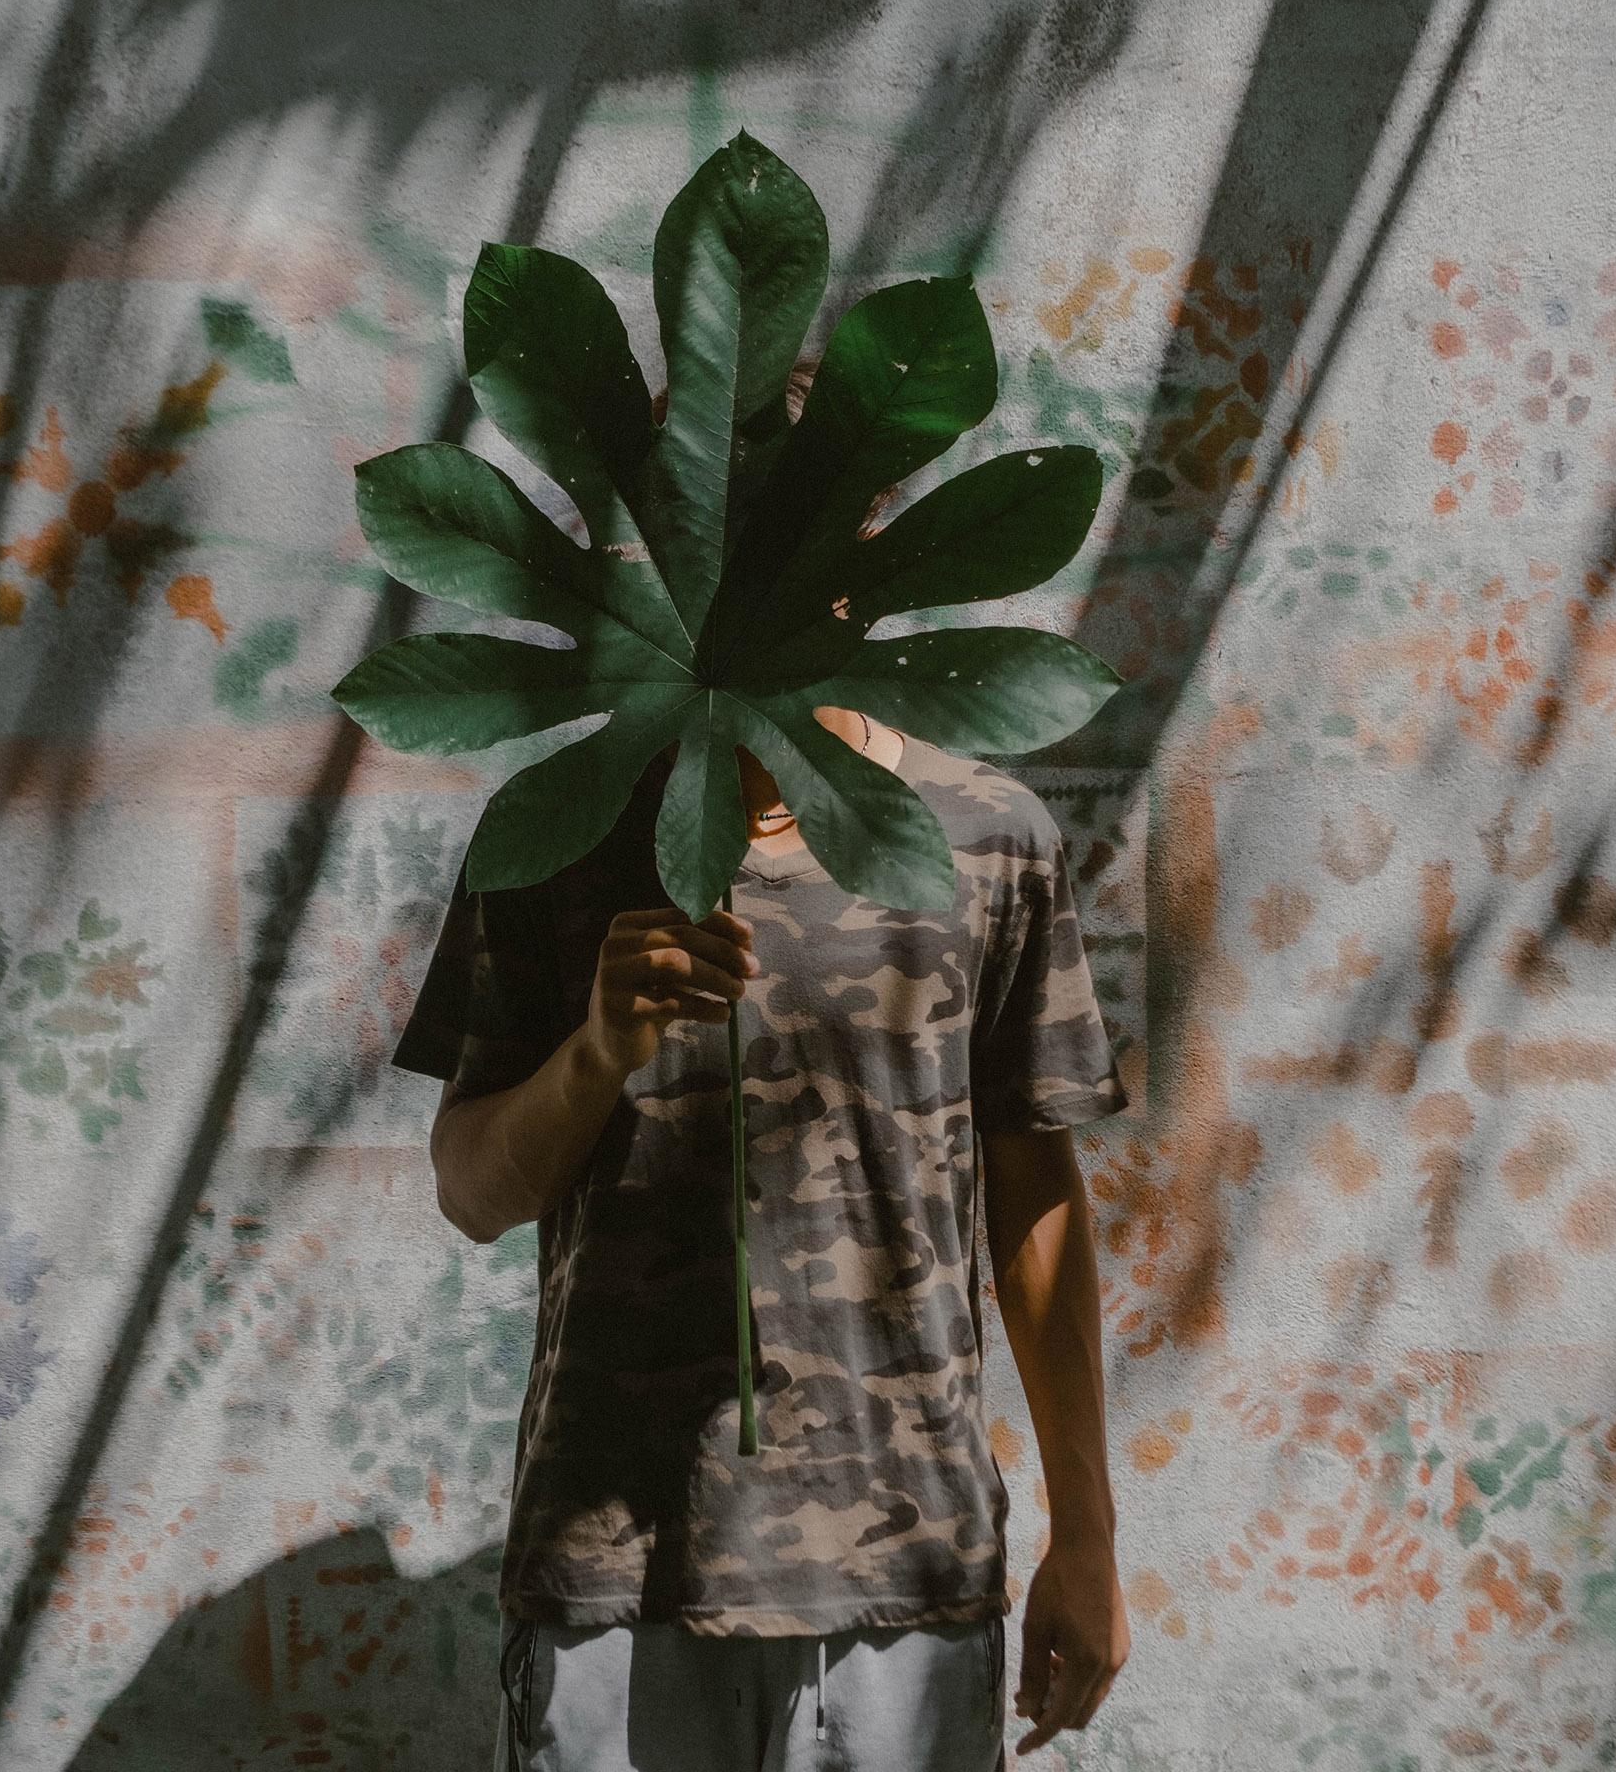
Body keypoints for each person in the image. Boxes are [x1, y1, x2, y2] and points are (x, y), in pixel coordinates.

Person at [393, 703, 1132, 1770]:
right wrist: (597, 1052)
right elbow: (471, 1190)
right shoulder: (557, 828)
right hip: (618, 1575)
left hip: (905, 1574)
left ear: (867, 542)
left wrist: (1089, 1530)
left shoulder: (986, 831)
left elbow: (1035, 1196)